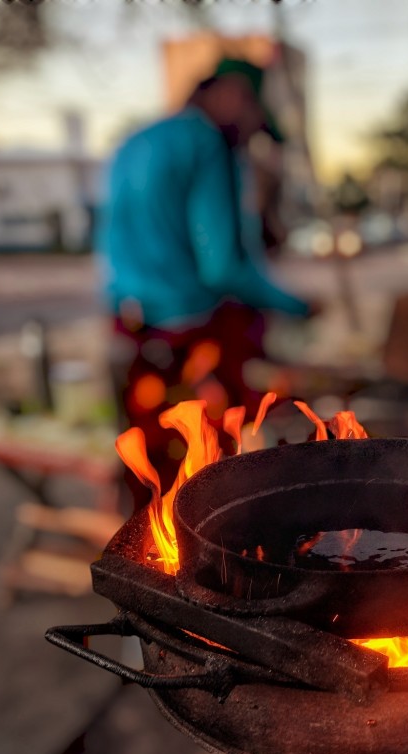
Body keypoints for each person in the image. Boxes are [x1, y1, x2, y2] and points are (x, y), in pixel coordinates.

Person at [96, 58, 313, 509]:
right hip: (190, 335)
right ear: (233, 94)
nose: (250, 136)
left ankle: (145, 554)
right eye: (255, 123)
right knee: (212, 471)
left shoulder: (134, 142)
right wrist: (299, 305)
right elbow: (223, 268)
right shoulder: (208, 143)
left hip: (127, 324)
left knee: (148, 461)